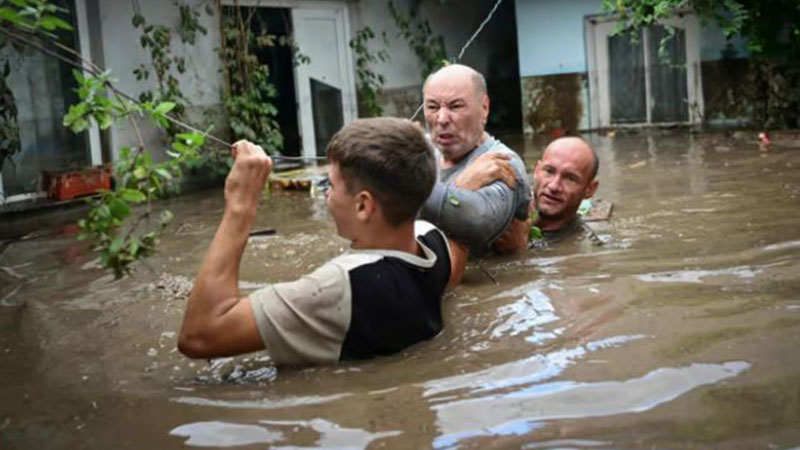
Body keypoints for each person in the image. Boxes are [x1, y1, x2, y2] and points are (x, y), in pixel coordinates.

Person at [178, 118, 468, 364]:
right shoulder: (434, 240)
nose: (327, 195)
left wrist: (241, 205)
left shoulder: (339, 284)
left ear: (363, 206)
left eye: (331, 185)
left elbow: (199, 336)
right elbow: (454, 266)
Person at [419, 64, 532, 256]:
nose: (442, 118)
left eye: (456, 106)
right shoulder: (417, 152)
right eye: (432, 107)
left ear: (484, 107)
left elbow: (478, 222)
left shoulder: (502, 162)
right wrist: (462, 185)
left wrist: (403, 199)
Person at [482, 136, 600, 249]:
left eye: (570, 178)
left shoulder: (585, 244)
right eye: (549, 171)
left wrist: (521, 251)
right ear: (537, 171)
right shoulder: (504, 204)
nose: (554, 186)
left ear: (590, 189)